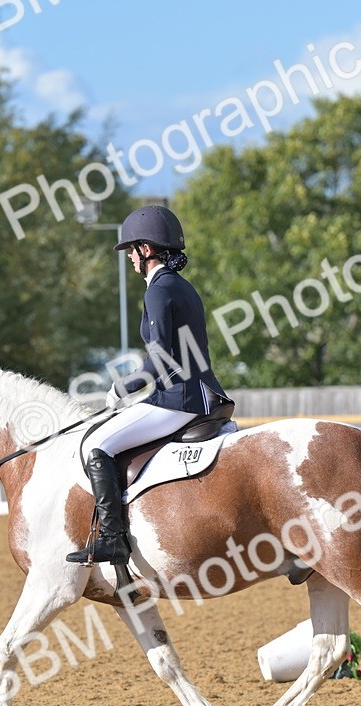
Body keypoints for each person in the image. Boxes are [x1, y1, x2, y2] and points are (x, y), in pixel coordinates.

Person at [66, 205, 232, 565]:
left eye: (131, 250)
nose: (129, 258)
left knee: (98, 445)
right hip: (197, 393)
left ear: (145, 250)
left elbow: (161, 361)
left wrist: (123, 388)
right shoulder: (181, 287)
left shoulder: (158, 290)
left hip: (179, 400)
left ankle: (113, 539)